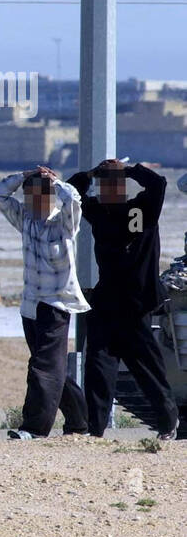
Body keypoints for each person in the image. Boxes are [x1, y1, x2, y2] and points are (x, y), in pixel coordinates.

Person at [69, 159, 179, 440]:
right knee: (98, 367)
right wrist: (92, 173)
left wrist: (129, 170)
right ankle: (95, 430)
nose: (108, 189)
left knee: (146, 368)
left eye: (114, 184)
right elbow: (72, 191)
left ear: (123, 186)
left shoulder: (142, 210)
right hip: (107, 302)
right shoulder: (99, 212)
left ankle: (167, 423)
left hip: (136, 304)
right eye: (105, 185)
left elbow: (158, 184)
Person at [0, 166, 89, 439]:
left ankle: (33, 428)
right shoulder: (25, 219)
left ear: (49, 196)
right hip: (30, 305)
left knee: (43, 368)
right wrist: (24, 175)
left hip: (56, 304)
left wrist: (54, 181)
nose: (32, 201)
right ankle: (81, 422)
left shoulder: (65, 222)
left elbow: (74, 200)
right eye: (28, 196)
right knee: (50, 366)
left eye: (38, 196)